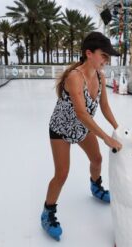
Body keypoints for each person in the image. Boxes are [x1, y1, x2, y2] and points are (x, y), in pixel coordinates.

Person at [41, 31, 123, 241]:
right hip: (61, 128)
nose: (106, 60)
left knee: (97, 159)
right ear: (89, 53)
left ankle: (96, 187)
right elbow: (81, 113)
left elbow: (104, 106)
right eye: (103, 55)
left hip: (83, 128)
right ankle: (48, 212)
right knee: (62, 174)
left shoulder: (100, 76)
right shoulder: (75, 77)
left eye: (108, 56)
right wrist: (106, 137)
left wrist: (119, 128)